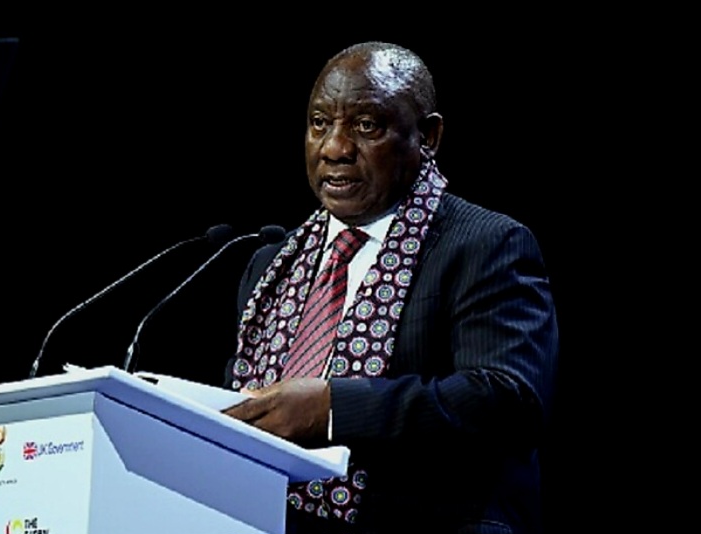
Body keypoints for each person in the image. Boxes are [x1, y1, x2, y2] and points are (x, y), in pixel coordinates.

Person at [222, 41, 559, 534]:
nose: (335, 148)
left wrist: (332, 408)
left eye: (366, 126)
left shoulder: (486, 245)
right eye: (319, 123)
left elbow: (508, 402)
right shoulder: (271, 264)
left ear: (429, 136)